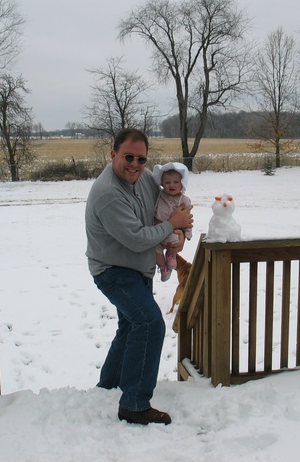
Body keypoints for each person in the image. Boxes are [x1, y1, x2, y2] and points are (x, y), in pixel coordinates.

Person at [85, 128, 193, 426]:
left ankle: (110, 385)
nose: (134, 164)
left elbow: (172, 204)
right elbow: (135, 238)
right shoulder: (108, 193)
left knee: (131, 325)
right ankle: (133, 404)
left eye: (141, 159)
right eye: (128, 157)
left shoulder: (144, 178)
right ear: (113, 155)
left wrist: (180, 231)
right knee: (150, 323)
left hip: (137, 266)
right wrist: (173, 223)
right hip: (113, 270)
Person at [152, 162, 193, 282]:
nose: (171, 185)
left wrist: (187, 234)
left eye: (176, 182)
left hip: (173, 232)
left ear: (182, 183)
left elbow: (187, 219)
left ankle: (171, 254)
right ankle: (163, 267)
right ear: (162, 184)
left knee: (174, 241)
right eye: (167, 182)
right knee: (155, 250)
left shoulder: (183, 200)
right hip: (158, 229)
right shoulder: (159, 196)